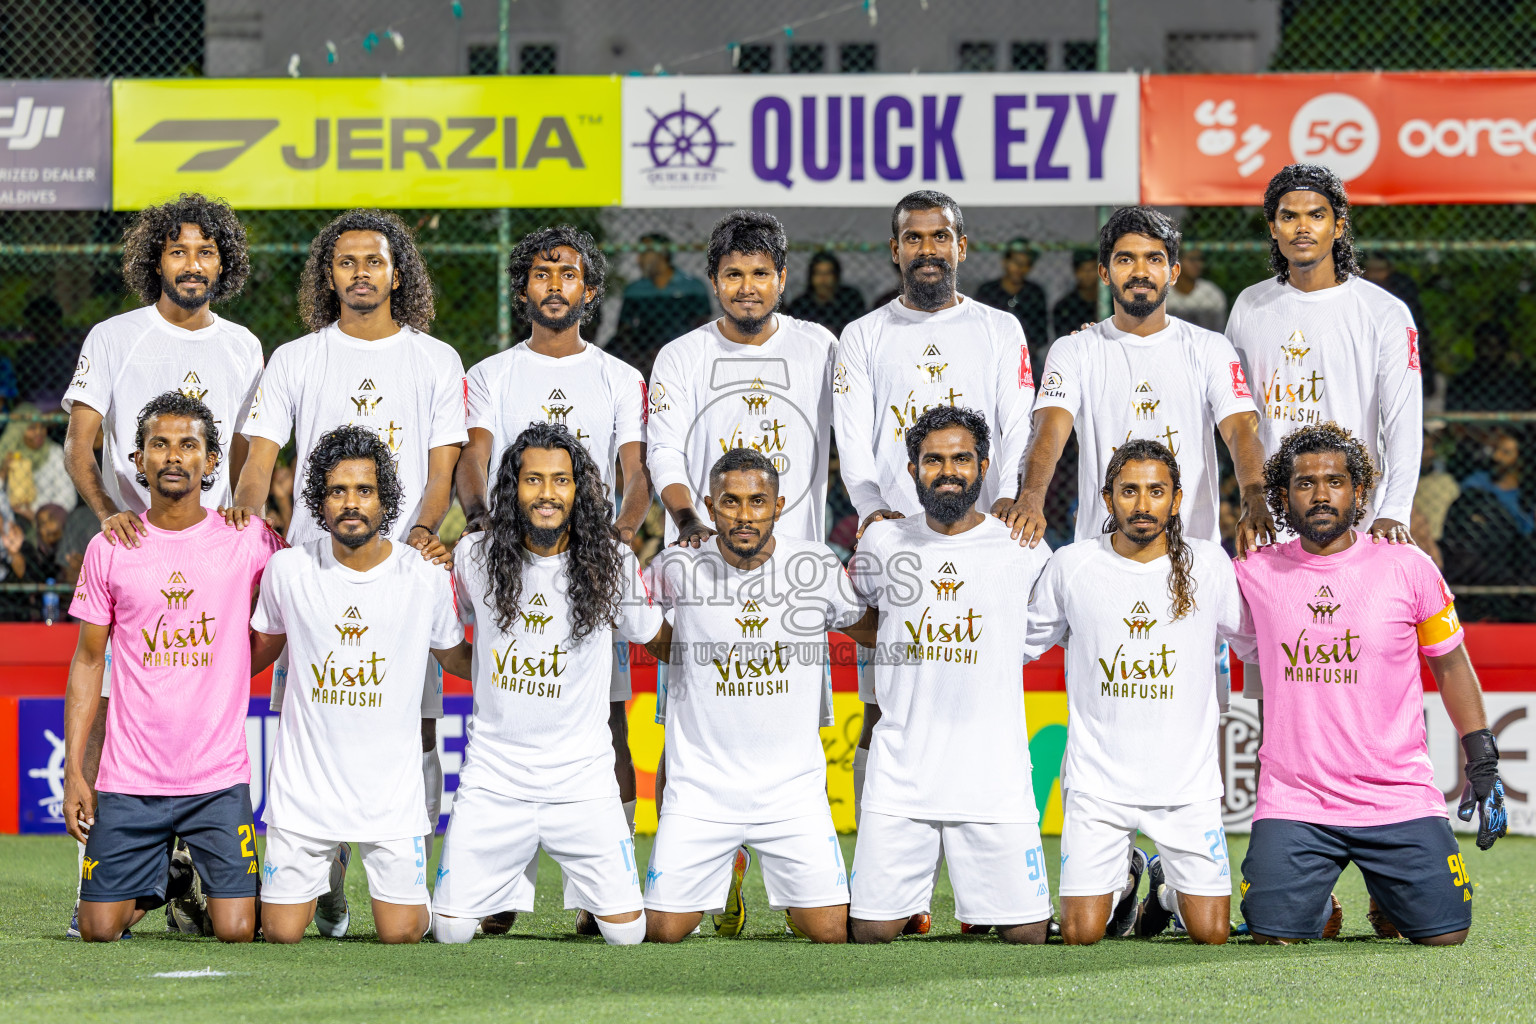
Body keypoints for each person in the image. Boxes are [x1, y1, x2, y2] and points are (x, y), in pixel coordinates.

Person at [226, 209, 466, 934]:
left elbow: (440, 471)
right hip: (314, 577)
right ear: (327, 275)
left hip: (400, 577)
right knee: (307, 716)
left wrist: (420, 534)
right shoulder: (298, 358)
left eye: (375, 260)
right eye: (346, 261)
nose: (361, 272)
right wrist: (245, 537)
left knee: (416, 724)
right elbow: (257, 465)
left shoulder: (436, 359)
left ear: (399, 273)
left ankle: (401, 864)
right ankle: (321, 873)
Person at [58, 192, 263, 934]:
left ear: (223, 263)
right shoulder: (116, 336)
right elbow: (81, 443)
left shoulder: (244, 345)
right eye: (178, 251)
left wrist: (245, 508)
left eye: (206, 252)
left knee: (190, 680)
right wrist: (108, 512)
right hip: (133, 544)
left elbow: (248, 450)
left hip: (208, 542)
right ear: (156, 260)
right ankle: (124, 863)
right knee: (127, 696)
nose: (192, 264)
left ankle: (189, 863)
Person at [833, 192, 1037, 935]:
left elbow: (1018, 422)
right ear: (894, 250)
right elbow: (852, 438)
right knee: (889, 706)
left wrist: (1009, 501)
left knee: (969, 683)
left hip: (977, 532)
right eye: (913, 237)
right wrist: (870, 510)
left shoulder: (998, 327)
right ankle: (896, 886)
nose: (927, 248)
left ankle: (990, 887)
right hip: (895, 544)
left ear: (961, 244)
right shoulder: (862, 335)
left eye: (940, 236)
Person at [1232, 422, 1508, 945]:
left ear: (1359, 491)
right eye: (1304, 483)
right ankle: (1322, 903)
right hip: (1297, 801)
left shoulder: (1408, 567)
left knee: (1445, 935)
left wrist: (1483, 760)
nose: (1320, 494)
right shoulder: (1253, 569)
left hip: (1397, 797)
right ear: (1283, 497)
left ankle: (1388, 894)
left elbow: (1450, 666)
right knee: (1274, 934)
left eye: (1334, 481)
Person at [646, 209, 837, 935]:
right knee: (685, 730)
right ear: (714, 281)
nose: (748, 287)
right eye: (734, 274)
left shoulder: (821, 348)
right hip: (704, 569)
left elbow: (856, 434)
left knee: (792, 727)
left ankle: (799, 876)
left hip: (792, 581)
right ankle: (702, 874)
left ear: (783, 279)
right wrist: (688, 517)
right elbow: (664, 450)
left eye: (761, 274)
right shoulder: (681, 356)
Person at [456, 226, 650, 862]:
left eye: (569, 274)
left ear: (589, 289)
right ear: (523, 289)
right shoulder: (491, 374)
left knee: (611, 724)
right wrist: (483, 521)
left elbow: (636, 471)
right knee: (510, 707)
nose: (555, 285)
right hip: (518, 561)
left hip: (589, 565)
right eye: (542, 273)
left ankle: (602, 877)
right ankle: (501, 885)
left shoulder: (619, 376)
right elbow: (475, 456)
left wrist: (616, 538)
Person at [61, 392, 285, 942]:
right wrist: (75, 771)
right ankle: (172, 877)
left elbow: (278, 626)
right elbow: (89, 662)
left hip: (217, 779)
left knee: (238, 930)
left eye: (189, 445)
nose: (174, 456)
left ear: (212, 462)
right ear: (138, 460)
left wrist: (229, 668)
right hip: (130, 779)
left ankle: (207, 882)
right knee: (98, 930)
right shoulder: (111, 546)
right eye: (159, 444)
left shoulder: (248, 541)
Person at [433, 423, 663, 947]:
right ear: (513, 487)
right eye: (533, 480)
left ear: (579, 490)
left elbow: (654, 636)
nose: (547, 494)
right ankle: (499, 888)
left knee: (627, 937)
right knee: (449, 932)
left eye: (561, 481)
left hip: (581, 781)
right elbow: (451, 637)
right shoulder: (475, 555)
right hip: (495, 777)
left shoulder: (614, 561)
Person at [250, 426, 467, 944]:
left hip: (389, 797)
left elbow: (457, 657)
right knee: (280, 934)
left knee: (403, 934)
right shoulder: (288, 570)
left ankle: (349, 858)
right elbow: (254, 653)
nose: (351, 503)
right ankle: (329, 869)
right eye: (337, 491)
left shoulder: (424, 575)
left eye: (364, 490)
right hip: (305, 794)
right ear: (318, 501)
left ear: (385, 498)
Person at [643, 448, 868, 944]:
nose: (744, 515)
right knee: (662, 932)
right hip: (702, 791)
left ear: (779, 505)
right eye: (730, 502)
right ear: (708, 504)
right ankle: (724, 877)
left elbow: (867, 626)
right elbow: (643, 631)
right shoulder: (676, 566)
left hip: (792, 792)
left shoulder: (814, 564)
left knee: (830, 933)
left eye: (758, 501)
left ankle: (789, 901)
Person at [846, 406, 1053, 943]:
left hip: (993, 774)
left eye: (961, 458)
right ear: (913, 470)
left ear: (984, 467)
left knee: (1027, 934)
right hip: (904, 772)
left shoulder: (1021, 545)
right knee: (870, 932)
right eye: (933, 460)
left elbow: (1040, 628)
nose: (948, 471)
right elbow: (858, 616)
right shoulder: (881, 542)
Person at [1025, 439, 1242, 945]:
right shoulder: (1072, 565)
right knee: (1081, 934)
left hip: (1186, 787)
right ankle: (1125, 880)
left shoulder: (1209, 565)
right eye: (1129, 491)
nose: (1142, 506)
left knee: (1211, 934)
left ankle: (1164, 892)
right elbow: (1021, 643)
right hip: (1099, 784)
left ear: (1177, 497)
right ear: (1106, 499)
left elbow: (1253, 643)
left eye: (1155, 491)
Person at [1007, 207, 1272, 555]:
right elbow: (1049, 431)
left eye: (1154, 259)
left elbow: (1240, 429)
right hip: (1101, 552)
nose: (1141, 272)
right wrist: (1030, 497)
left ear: (1173, 271)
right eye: (1126, 260)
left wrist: (1253, 493)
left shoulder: (1210, 347)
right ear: (1105, 272)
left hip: (1191, 549)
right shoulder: (1075, 349)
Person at [1226, 164, 1422, 549]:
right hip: (1273, 522)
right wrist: (1253, 496)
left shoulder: (1383, 312)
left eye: (1316, 215)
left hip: (1358, 521)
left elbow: (1403, 421)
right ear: (1272, 227)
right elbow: (1236, 415)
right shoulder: (1249, 306)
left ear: (1338, 226)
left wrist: (1395, 509)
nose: (1302, 227)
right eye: (1289, 216)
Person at [611, 232, 713, 379]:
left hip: (684, 356)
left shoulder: (692, 287)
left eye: (644, 253)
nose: (639, 259)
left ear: (662, 253)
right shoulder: (635, 290)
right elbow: (624, 330)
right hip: (643, 358)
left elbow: (701, 327)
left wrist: (674, 352)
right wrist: (642, 357)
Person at [1363, 253, 1432, 395]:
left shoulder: (1402, 290)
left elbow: (1417, 329)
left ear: (1390, 270)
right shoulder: (1358, 292)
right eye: (1371, 270)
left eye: (1380, 270)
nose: (1375, 276)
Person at [975, 238, 1049, 368]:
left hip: (1026, 356)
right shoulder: (988, 291)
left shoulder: (1034, 293)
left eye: (1026, 264)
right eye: (1016, 262)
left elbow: (1041, 335)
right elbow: (978, 328)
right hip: (992, 355)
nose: (1020, 268)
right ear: (1005, 262)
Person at [0, 402, 76, 519]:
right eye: (32, 428)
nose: (39, 432)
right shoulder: (9, 455)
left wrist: (37, 513)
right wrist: (4, 472)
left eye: (42, 426)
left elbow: (68, 497)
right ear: (19, 431)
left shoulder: (54, 452)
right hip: (13, 520)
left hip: (50, 519)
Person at [1460, 430, 1532, 536]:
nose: (1496, 456)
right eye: (1496, 449)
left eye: (1505, 452)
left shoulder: (1525, 498)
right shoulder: (1477, 480)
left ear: (1520, 460)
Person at [786, 251, 867, 337]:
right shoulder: (800, 305)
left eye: (828, 273)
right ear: (811, 277)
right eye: (818, 273)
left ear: (836, 276)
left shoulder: (851, 300)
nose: (823, 279)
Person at [1163, 247, 1227, 333]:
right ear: (1177, 263)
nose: (1198, 264)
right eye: (1192, 260)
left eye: (1200, 260)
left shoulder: (1211, 292)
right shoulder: (1163, 293)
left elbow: (1219, 329)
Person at [1051, 249, 1101, 338]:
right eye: (1083, 269)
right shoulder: (1064, 306)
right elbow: (1064, 339)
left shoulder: (1113, 302)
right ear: (1076, 272)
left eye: (1092, 269)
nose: (1088, 274)